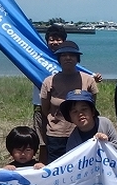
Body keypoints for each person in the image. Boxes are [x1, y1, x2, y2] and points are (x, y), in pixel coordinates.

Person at [31, 24, 103, 160]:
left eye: (72, 55)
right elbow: (46, 110)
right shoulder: (49, 81)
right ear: (59, 59)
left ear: (78, 59)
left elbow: (91, 107)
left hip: (81, 132)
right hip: (56, 135)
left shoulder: (88, 80)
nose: (68, 58)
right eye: (64, 55)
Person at [61, 90, 117, 154]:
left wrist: (105, 143)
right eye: (74, 111)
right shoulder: (73, 141)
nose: (80, 114)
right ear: (70, 118)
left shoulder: (105, 124)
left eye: (84, 109)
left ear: (92, 111)